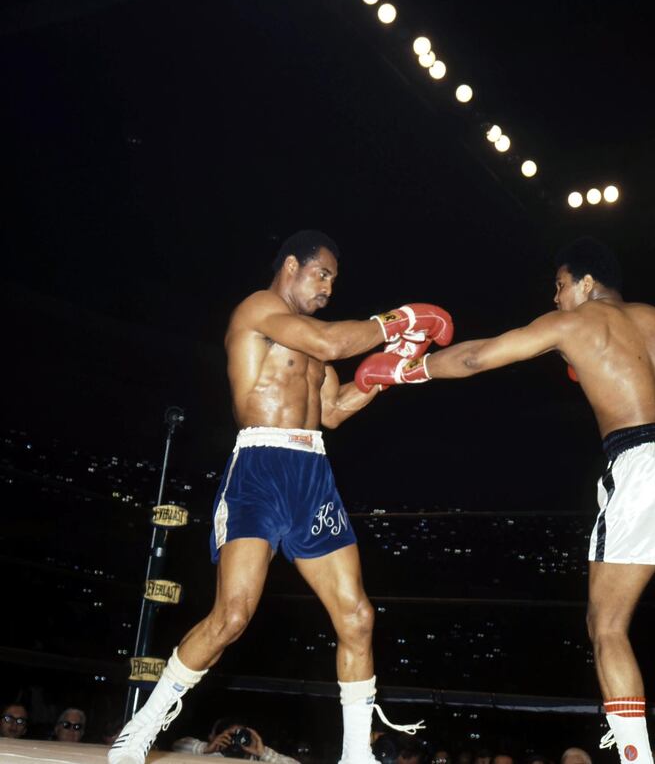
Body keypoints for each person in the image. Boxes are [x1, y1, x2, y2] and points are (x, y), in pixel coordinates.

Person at [356, 237, 655, 764]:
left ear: (587, 283)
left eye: (561, 285)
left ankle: (634, 756)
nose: (557, 296)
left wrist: (410, 370)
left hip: (643, 461)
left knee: (606, 624)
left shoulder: (572, 323)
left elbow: (477, 357)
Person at [110, 230, 450, 764]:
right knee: (233, 615)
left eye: (335, 281)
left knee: (357, 617)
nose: (329, 289)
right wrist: (398, 321)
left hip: (313, 473)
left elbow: (333, 411)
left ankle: (355, 755)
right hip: (261, 470)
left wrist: (392, 372)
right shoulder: (259, 309)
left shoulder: (317, 344)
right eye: (323, 275)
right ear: (292, 266)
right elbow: (334, 342)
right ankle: (140, 729)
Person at [173, 716, 299, 762]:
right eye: (229, 736)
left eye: (240, 736)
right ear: (215, 737)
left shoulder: (258, 758)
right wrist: (205, 749)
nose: (235, 741)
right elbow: (177, 746)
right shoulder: (211, 754)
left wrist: (262, 753)